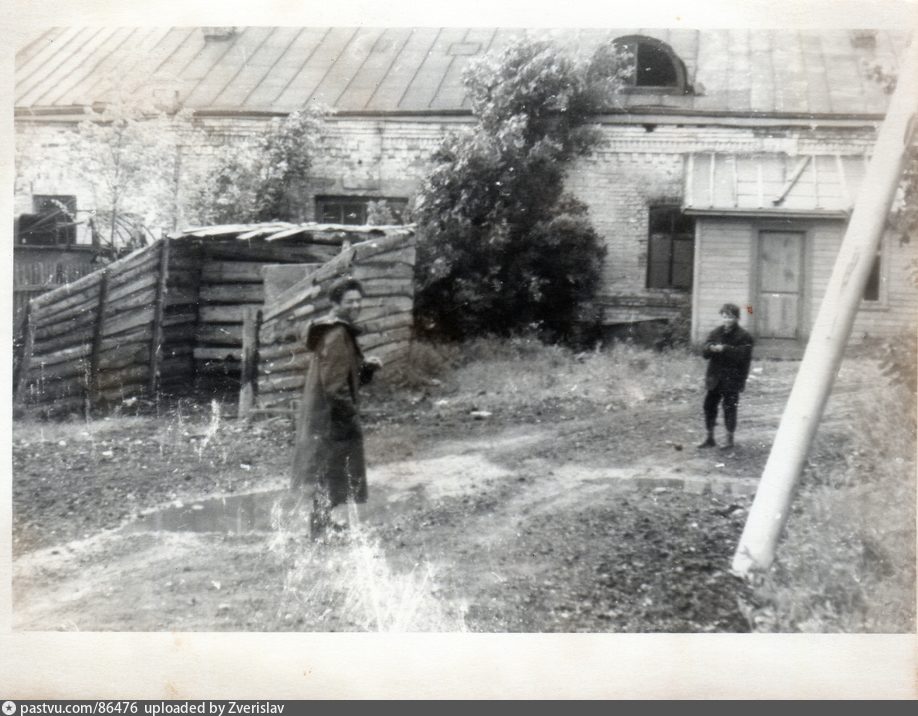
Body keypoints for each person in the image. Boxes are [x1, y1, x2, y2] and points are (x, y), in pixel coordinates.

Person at [290, 277, 382, 539]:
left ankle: (323, 526)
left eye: (358, 301)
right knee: (328, 471)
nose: (355, 306)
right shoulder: (337, 334)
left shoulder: (340, 331)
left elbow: (343, 374)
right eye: (349, 301)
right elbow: (334, 386)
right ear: (335, 303)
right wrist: (351, 417)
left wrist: (366, 368)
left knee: (329, 471)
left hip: (327, 414)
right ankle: (319, 531)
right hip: (330, 417)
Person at [698, 303, 754, 450]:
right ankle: (710, 437)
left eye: (730, 317)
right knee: (709, 406)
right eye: (724, 316)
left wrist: (725, 349)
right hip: (715, 378)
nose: (727, 320)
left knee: (729, 408)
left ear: (737, 318)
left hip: (732, 378)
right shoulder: (715, 332)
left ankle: (729, 439)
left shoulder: (744, 336)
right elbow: (704, 353)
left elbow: (743, 356)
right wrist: (710, 348)